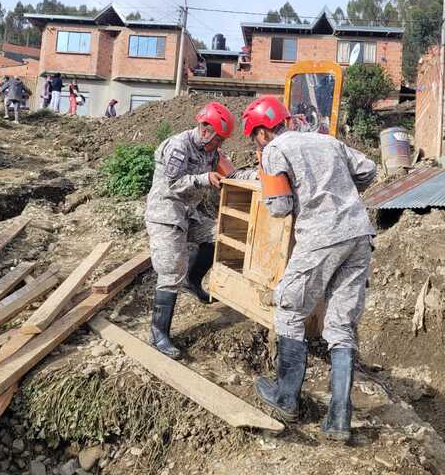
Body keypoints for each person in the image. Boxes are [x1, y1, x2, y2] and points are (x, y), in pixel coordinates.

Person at [242, 96, 377, 442]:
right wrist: (340, 194)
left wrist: (270, 178)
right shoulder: (326, 140)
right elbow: (368, 170)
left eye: (255, 136)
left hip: (321, 237)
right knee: (341, 324)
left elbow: (280, 208)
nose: (258, 141)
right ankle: (339, 417)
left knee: (289, 308)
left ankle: (286, 398)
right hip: (358, 234)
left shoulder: (274, 151)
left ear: (261, 132)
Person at [145, 102, 256, 359]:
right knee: (171, 268)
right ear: (205, 129)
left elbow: (230, 174)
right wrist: (204, 179)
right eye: (218, 138)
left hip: (190, 213)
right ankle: (159, 334)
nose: (219, 144)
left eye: (222, 140)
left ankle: (192, 281)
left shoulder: (212, 152)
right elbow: (173, 184)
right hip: (166, 214)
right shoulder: (178, 146)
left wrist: (257, 175)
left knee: (220, 234)